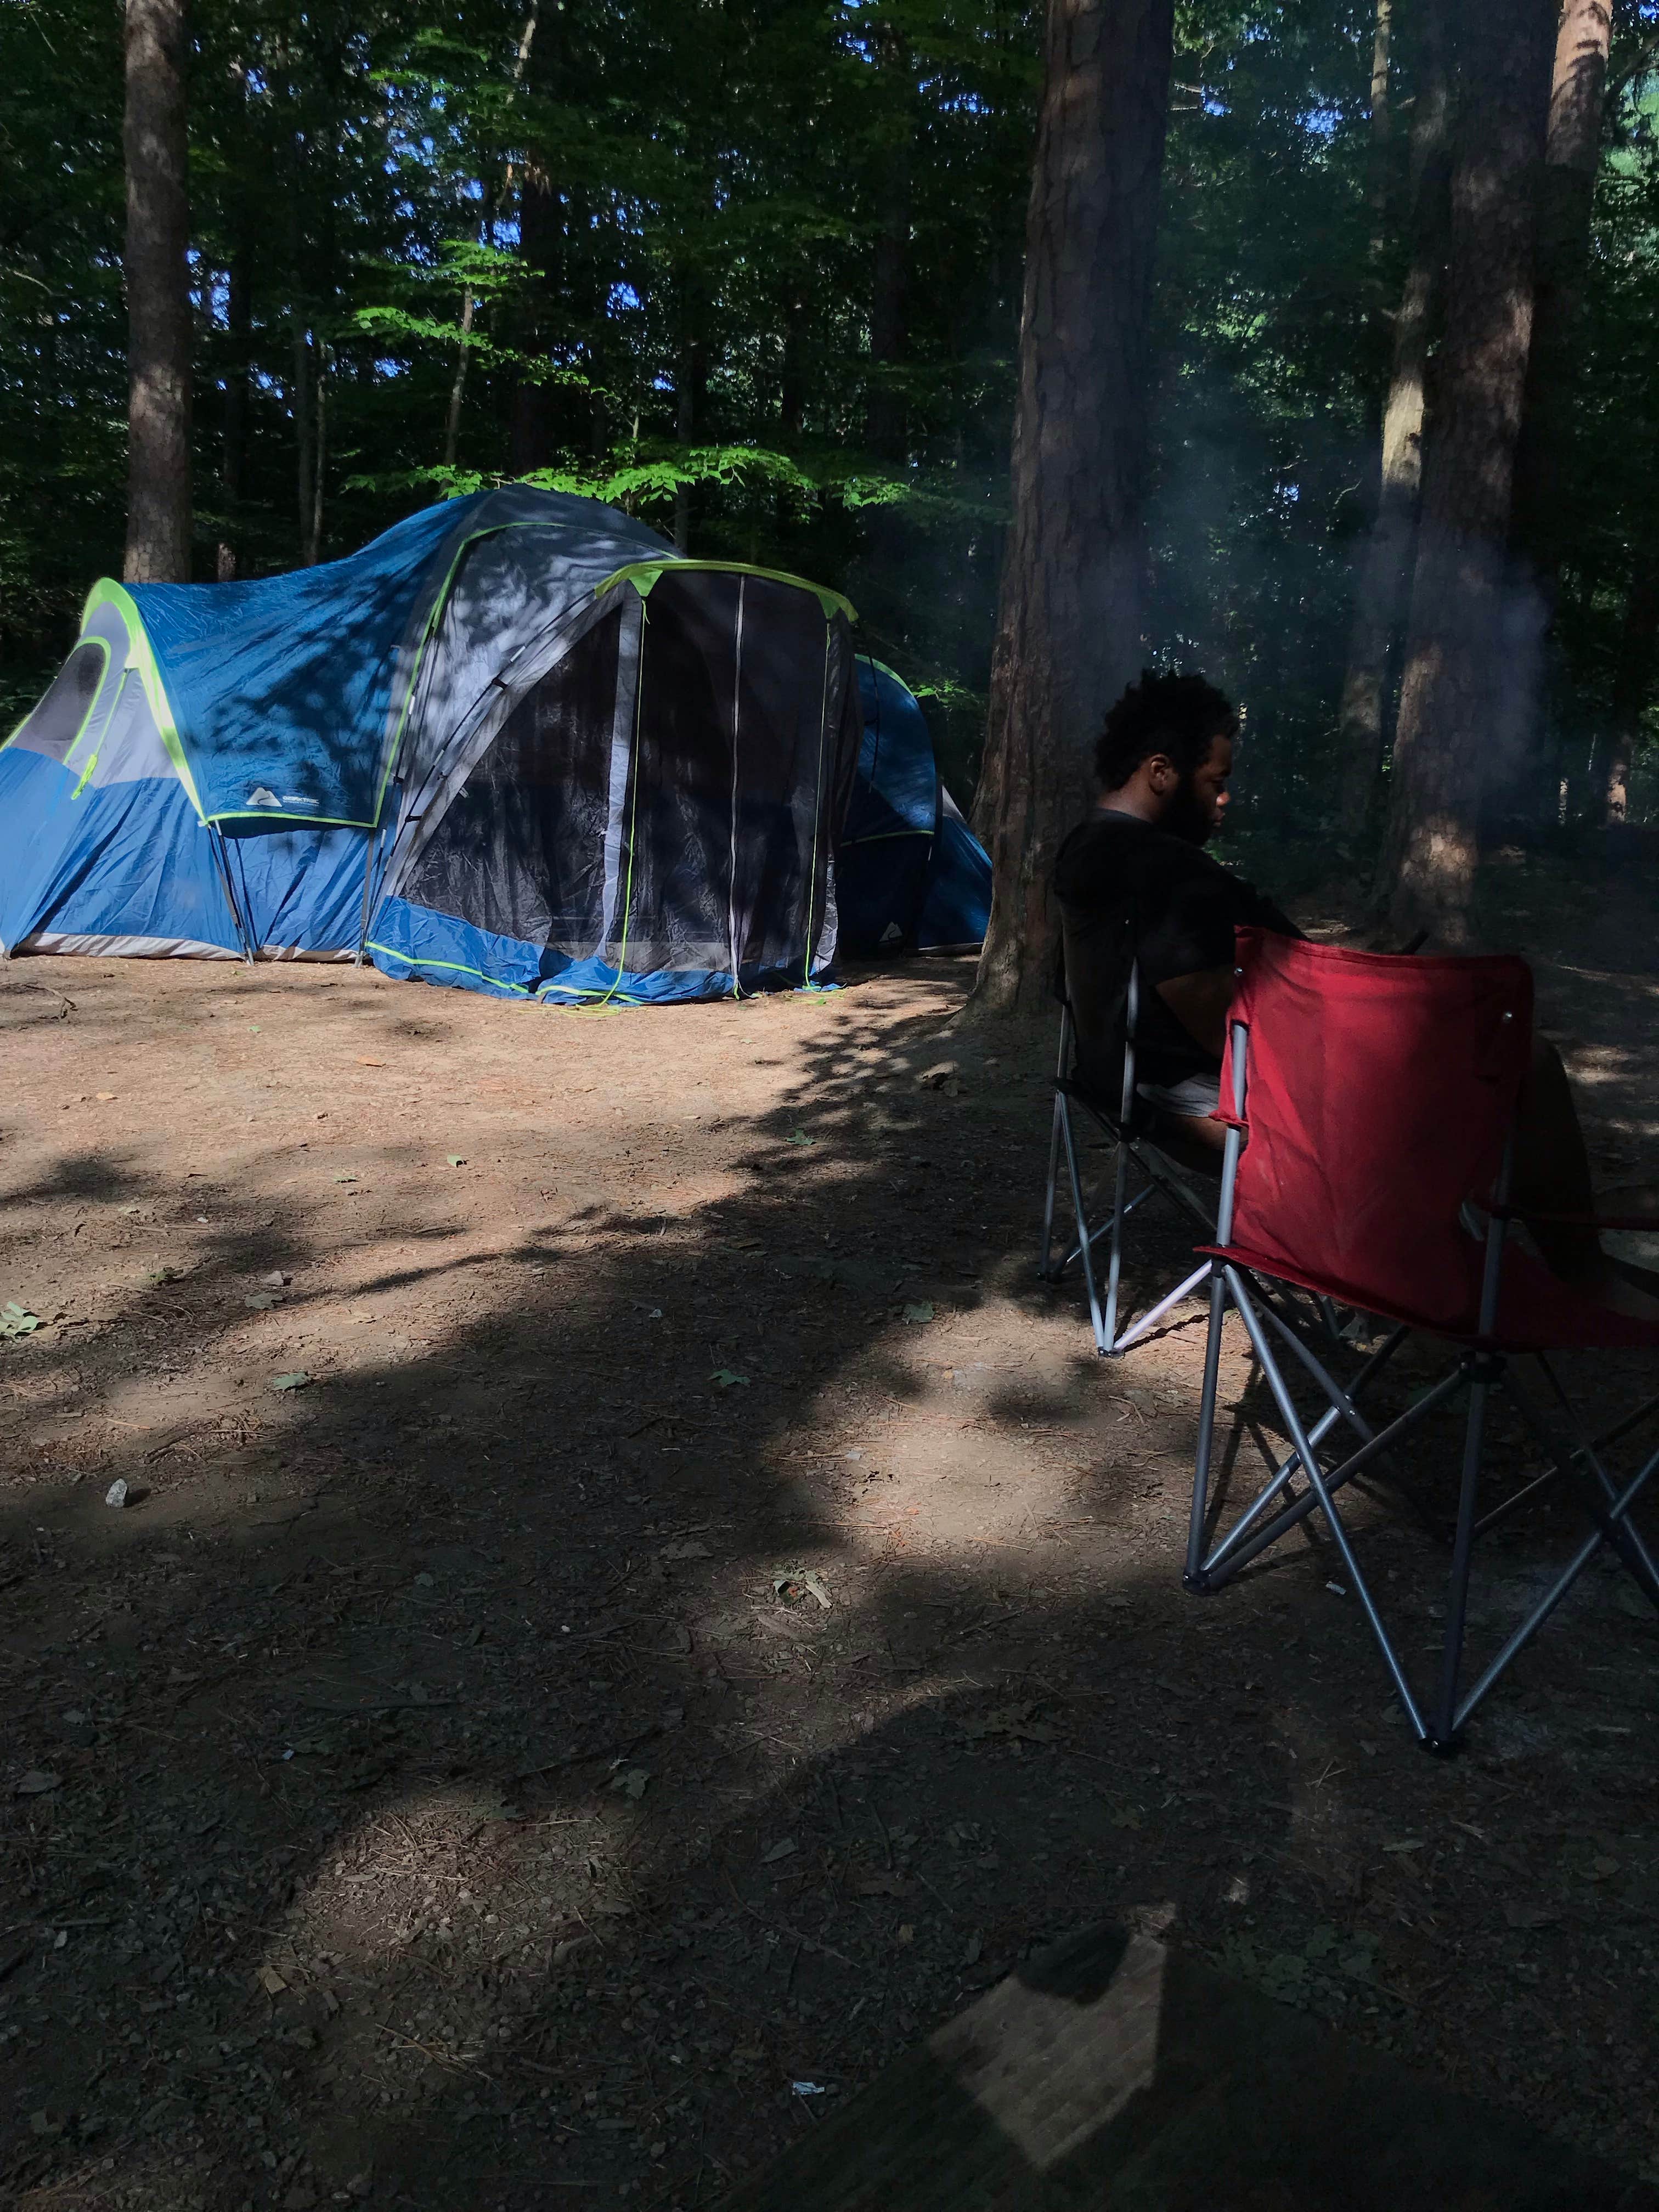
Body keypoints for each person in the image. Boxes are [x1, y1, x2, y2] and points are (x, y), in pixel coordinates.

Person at [1054, 669, 1659, 1317]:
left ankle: (1553, 1245)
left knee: (1467, 1052)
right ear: (1160, 771)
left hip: (1123, 1080)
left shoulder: (1085, 847)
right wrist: (1358, 1043)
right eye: (1217, 783)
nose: (1226, 801)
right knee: (1523, 1061)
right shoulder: (1162, 869)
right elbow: (1222, 1029)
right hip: (1219, 1103)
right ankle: (1582, 1278)